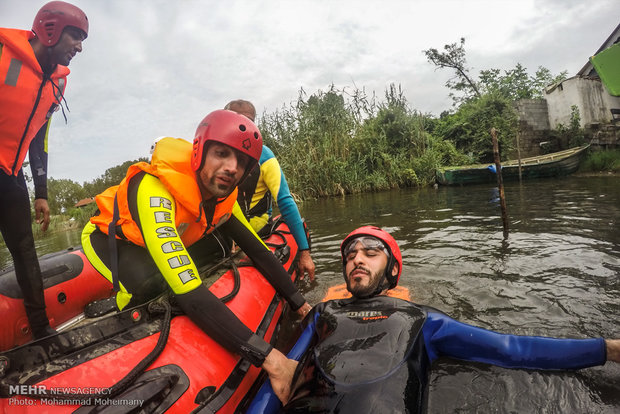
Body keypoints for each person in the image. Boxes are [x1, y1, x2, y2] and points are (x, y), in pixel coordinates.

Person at [81, 109, 310, 402]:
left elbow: (257, 250)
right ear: (199, 151)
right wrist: (271, 359)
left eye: (241, 161)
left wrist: (300, 304)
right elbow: (188, 290)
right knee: (151, 285)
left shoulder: (225, 197)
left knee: (215, 250)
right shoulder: (155, 188)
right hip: (112, 239)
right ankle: (121, 304)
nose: (231, 167)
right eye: (221, 153)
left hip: (164, 235)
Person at [265, 226, 620, 413]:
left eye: (371, 253)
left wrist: (606, 350)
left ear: (391, 270)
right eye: (351, 255)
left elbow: (513, 349)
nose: (357, 259)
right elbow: (279, 377)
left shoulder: (421, 319)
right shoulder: (323, 313)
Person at [0, 1, 88, 339]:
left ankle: (42, 331)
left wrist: (41, 193)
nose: (80, 47)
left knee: (25, 252)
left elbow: (39, 139)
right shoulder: (4, 55)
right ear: (50, 30)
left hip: (11, 175)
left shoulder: (59, 84)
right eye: (75, 37)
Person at [224, 100, 316, 280]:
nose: (240, 126)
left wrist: (305, 253)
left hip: (257, 230)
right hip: (226, 232)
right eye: (233, 120)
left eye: (246, 121)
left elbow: (285, 201)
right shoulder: (216, 154)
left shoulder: (264, 156)